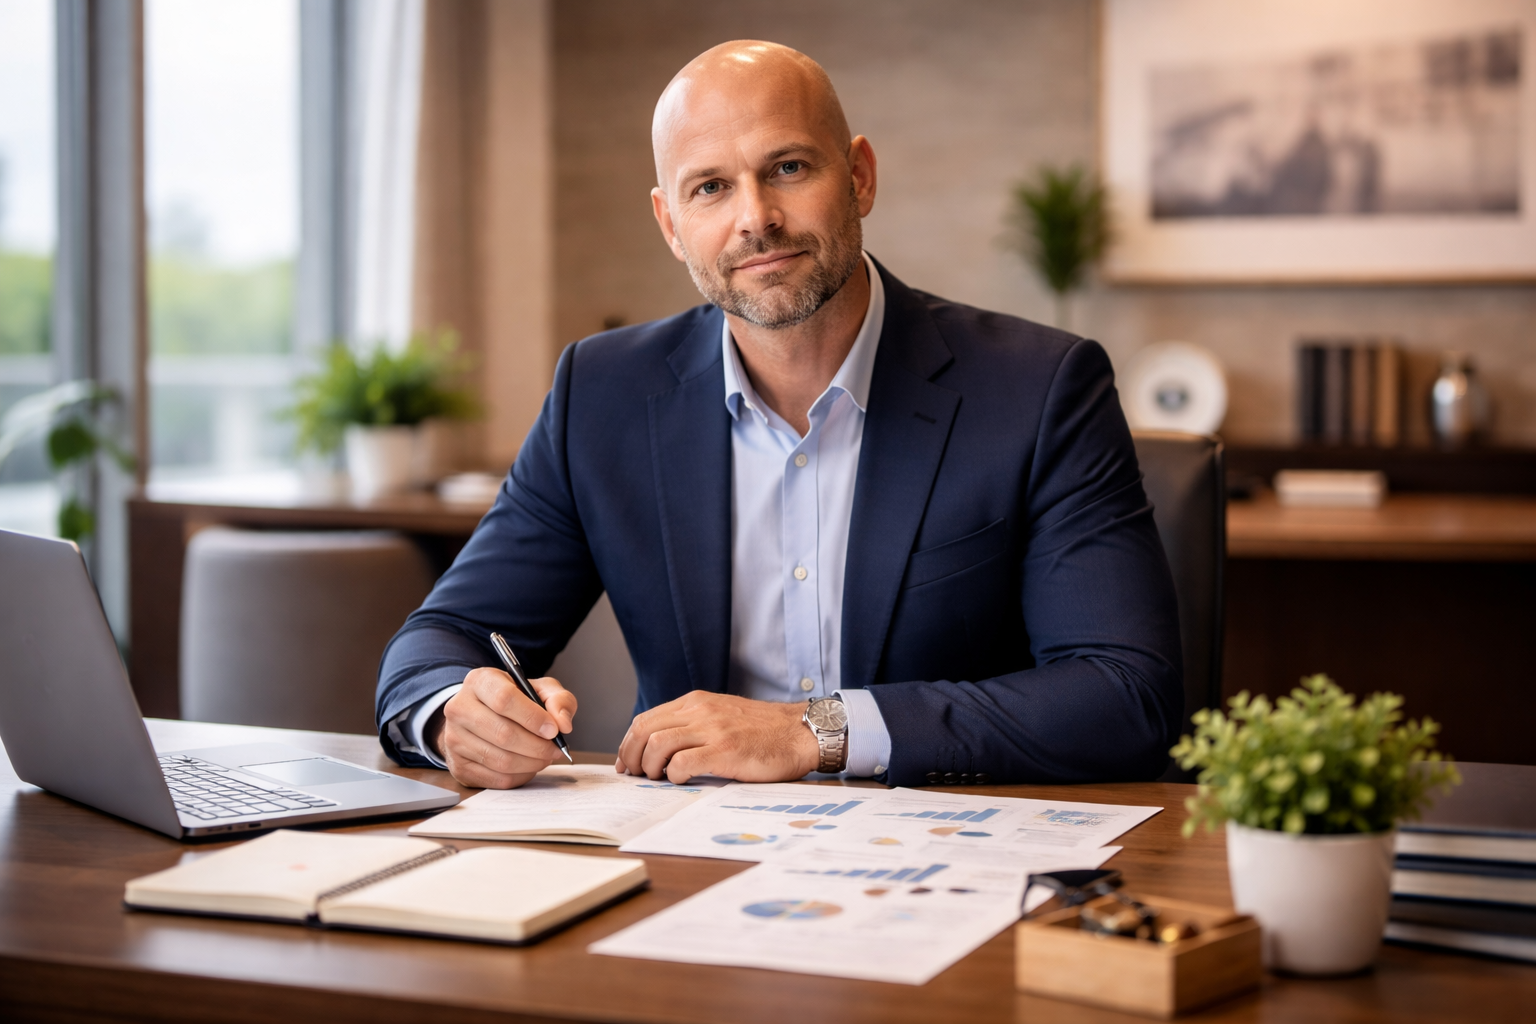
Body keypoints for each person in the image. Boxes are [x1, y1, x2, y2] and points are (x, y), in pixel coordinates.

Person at [376, 40, 1182, 790]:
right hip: (688, 863)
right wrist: (453, 713)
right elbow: (443, 637)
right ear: (670, 223)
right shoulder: (602, 393)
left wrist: (815, 730)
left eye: (788, 167)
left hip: (944, 853)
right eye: (710, 187)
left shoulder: (1039, 388)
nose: (754, 217)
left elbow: (1126, 694)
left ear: (860, 175)